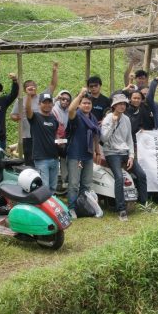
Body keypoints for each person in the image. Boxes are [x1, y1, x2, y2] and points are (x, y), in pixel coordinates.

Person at [101, 94, 149, 221]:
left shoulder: (127, 119)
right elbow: (103, 138)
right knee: (119, 177)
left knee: (141, 174)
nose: (122, 106)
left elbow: (129, 139)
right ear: (114, 106)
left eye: (124, 104)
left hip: (125, 152)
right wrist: (113, 123)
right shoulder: (108, 118)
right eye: (119, 104)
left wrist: (131, 156)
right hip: (111, 152)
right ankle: (121, 209)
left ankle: (143, 203)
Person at [11, 62, 58, 166]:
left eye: (33, 86)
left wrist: (54, 71)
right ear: (24, 89)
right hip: (27, 135)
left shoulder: (43, 97)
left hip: (43, 134)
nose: (31, 89)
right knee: (29, 160)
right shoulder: (20, 100)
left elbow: (53, 85)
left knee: (43, 160)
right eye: (28, 87)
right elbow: (13, 115)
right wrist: (16, 117)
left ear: (36, 87)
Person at [65, 88, 103, 218]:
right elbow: (70, 109)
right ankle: (72, 208)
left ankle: (83, 207)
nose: (87, 105)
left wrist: (97, 151)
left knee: (86, 184)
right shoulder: (76, 116)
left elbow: (95, 136)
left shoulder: (93, 118)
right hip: (75, 154)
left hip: (88, 155)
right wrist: (80, 94)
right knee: (74, 184)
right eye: (84, 103)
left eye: (89, 103)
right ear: (79, 104)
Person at [25, 90, 59, 192]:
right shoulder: (35, 117)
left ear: (52, 104)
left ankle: (51, 202)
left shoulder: (54, 118)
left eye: (49, 102)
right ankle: (44, 202)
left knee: (53, 187)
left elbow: (55, 135)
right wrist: (29, 95)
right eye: (44, 102)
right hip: (41, 158)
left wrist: (59, 142)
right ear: (39, 104)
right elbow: (27, 109)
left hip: (54, 157)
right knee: (44, 187)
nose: (47, 105)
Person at [52, 90, 72, 189]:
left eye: (68, 100)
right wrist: (55, 98)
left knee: (64, 157)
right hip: (53, 139)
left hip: (64, 139)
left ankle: (65, 180)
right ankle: (53, 182)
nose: (65, 101)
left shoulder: (69, 111)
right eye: (63, 99)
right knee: (54, 160)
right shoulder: (53, 108)